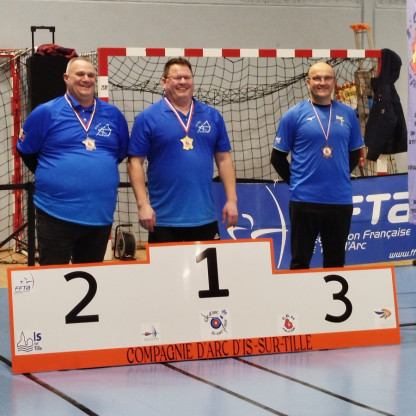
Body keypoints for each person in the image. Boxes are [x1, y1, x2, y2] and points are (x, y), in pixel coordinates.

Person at [17, 56, 129, 265]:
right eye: (80, 74)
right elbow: (26, 151)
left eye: (91, 75)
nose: (86, 79)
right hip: (55, 213)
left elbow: (119, 154)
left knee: (91, 274)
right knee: (53, 277)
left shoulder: (113, 115)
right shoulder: (45, 112)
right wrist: (53, 176)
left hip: (99, 214)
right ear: (66, 78)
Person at [128, 57, 238, 243]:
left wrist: (232, 200)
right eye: (177, 77)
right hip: (163, 219)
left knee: (207, 264)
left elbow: (224, 159)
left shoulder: (212, 116)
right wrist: (143, 204)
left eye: (187, 77)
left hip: (205, 217)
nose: (183, 82)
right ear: (164, 82)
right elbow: (134, 163)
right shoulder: (147, 118)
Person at [270, 62, 364, 269]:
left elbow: (355, 152)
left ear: (334, 82)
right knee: (300, 262)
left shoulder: (348, 114)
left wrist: (339, 176)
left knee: (335, 262)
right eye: (317, 78)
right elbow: (277, 157)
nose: (322, 82)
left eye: (327, 78)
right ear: (308, 82)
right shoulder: (293, 115)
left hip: (339, 200)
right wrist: (297, 182)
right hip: (304, 201)